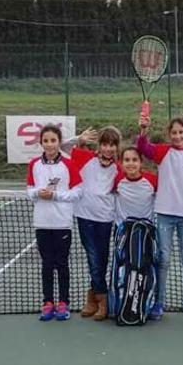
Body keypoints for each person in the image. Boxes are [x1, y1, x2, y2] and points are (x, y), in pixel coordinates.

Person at [137, 114, 183, 319]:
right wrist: (143, 129)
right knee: (164, 259)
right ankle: (158, 304)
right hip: (165, 213)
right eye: (174, 132)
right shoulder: (162, 152)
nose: (177, 136)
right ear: (169, 134)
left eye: (181, 132)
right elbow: (143, 148)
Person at [27, 124, 81, 322]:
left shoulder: (68, 164)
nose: (49, 144)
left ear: (59, 142)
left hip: (62, 223)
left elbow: (78, 192)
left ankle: (63, 303)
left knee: (62, 263)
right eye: (46, 140)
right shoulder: (34, 164)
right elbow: (29, 190)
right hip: (42, 223)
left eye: (53, 140)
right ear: (41, 142)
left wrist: (55, 195)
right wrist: (38, 193)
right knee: (47, 264)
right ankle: (47, 302)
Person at [70, 127, 120, 322]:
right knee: (93, 257)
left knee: (102, 259)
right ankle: (102, 299)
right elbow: (64, 148)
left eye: (112, 145)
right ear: (99, 145)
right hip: (85, 216)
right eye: (105, 144)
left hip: (106, 219)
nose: (108, 148)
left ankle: (92, 296)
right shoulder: (85, 158)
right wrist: (80, 140)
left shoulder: (119, 167)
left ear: (117, 147)